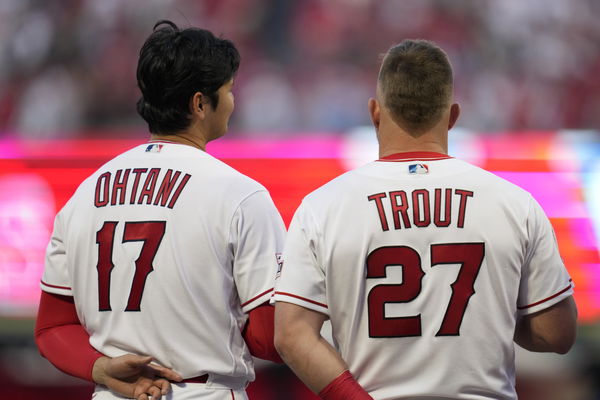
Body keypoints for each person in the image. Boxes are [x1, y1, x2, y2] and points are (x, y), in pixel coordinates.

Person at [272, 39, 578, 400]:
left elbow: (291, 335)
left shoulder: (321, 207)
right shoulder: (516, 203)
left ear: (374, 112)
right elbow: (556, 333)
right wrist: (491, 309)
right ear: (452, 116)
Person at [35, 20, 285, 400]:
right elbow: (272, 337)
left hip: (114, 393)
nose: (234, 102)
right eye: (228, 90)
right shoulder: (240, 194)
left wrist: (99, 366)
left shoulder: (85, 193)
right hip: (207, 391)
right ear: (200, 103)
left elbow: (52, 328)